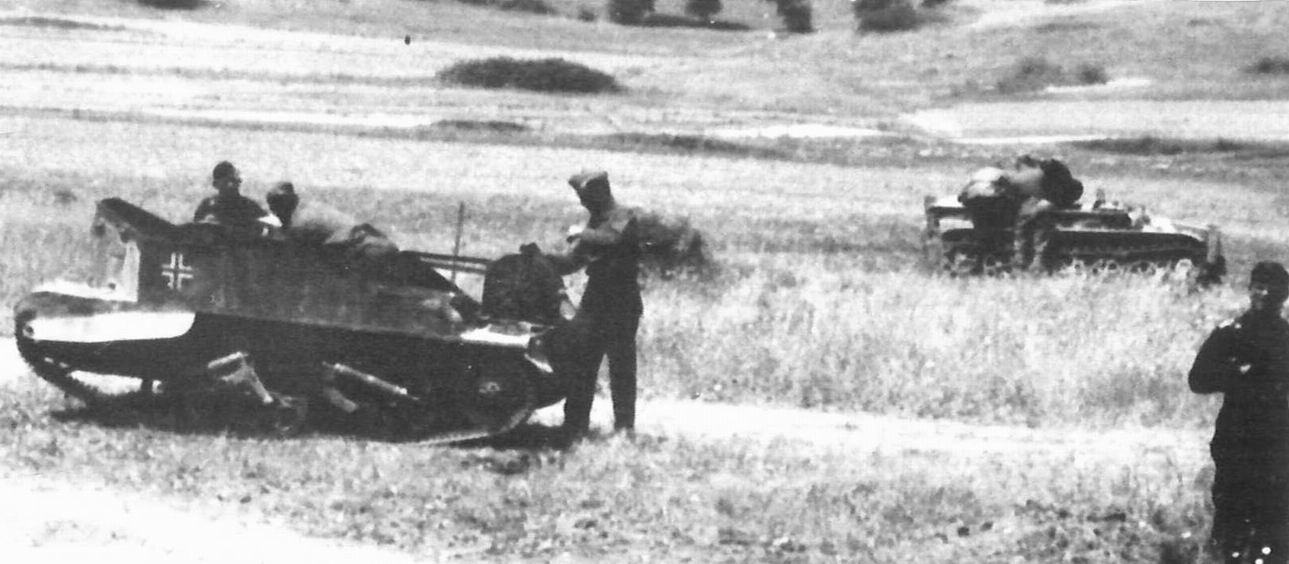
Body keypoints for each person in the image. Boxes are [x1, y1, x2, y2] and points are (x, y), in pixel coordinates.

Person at [1189, 261, 1289, 563]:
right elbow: (1198, 380)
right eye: (1259, 286)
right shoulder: (1230, 334)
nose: (1265, 293)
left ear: (1284, 295)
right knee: (1230, 514)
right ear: (1249, 290)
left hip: (1277, 439)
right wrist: (1238, 374)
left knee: (1273, 520)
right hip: (1237, 436)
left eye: (1274, 288)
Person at [547, 169, 642, 443]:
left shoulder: (623, 216)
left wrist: (581, 232)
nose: (582, 203)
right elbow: (572, 262)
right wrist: (544, 261)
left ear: (600, 192)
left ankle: (624, 429)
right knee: (581, 363)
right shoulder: (595, 222)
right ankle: (575, 427)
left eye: (585, 197)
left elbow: (612, 238)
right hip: (595, 300)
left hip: (622, 301)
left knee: (621, 368)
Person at [957, 155, 1083, 272]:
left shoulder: (1032, 177)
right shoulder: (1047, 183)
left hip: (984, 195)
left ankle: (1011, 260)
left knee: (990, 234)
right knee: (1029, 223)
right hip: (994, 194)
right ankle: (1023, 261)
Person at [264, 181, 399, 271]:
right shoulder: (311, 206)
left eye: (275, 206)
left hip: (368, 251)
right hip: (378, 242)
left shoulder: (301, 223)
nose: (274, 211)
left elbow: (295, 253)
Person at [193, 161, 271, 235]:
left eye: (234, 181)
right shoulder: (207, 206)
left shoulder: (248, 206)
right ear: (216, 184)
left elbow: (268, 226)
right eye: (227, 182)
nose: (231, 186)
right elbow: (196, 230)